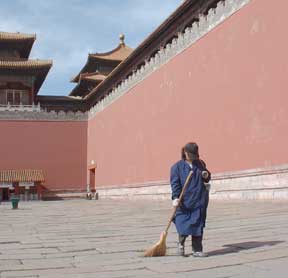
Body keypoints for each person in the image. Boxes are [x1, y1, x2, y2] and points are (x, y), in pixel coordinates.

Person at [170, 142, 211, 257]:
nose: (194, 158)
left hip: (199, 200)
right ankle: (181, 245)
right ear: (185, 153)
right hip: (184, 202)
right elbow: (175, 184)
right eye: (191, 155)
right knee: (183, 224)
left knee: (198, 224)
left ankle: (197, 249)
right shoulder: (176, 167)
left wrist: (205, 175)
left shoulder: (200, 163)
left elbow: (208, 177)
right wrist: (175, 198)